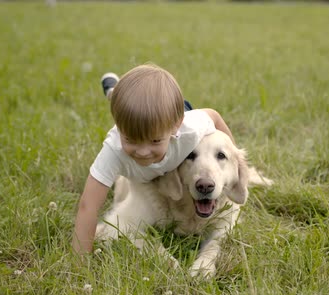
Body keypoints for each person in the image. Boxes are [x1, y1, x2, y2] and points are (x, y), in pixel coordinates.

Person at [72, 64, 236, 254]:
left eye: (155, 141)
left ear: (176, 127)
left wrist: (233, 157)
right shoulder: (113, 151)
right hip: (152, 125)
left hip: (180, 115)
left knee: (162, 113)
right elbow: (88, 206)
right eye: (131, 140)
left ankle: (118, 95)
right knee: (126, 106)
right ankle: (113, 91)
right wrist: (79, 263)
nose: (143, 152)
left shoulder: (190, 129)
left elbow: (214, 116)